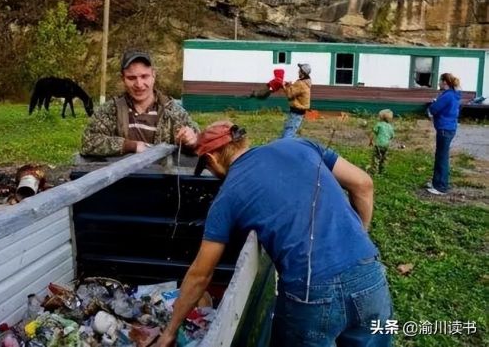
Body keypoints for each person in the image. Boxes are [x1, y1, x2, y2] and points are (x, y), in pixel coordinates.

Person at [155, 121, 393, 347]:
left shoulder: (227, 196)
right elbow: (363, 183)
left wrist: (169, 332)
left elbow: (200, 274)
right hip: (369, 275)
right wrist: (360, 237)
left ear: (210, 158)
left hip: (311, 292)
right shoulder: (299, 144)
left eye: (206, 167)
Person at [80, 50, 199, 157]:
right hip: (123, 180)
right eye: (131, 78)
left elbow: (201, 145)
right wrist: (131, 146)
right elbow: (88, 142)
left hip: (163, 179)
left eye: (144, 76)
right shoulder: (110, 110)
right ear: (123, 79)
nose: (139, 84)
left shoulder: (174, 112)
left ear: (153, 75)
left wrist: (191, 141)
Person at [425, 73, 461, 195]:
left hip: (445, 129)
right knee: (440, 155)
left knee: (442, 157)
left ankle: (441, 186)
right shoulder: (453, 94)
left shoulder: (447, 96)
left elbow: (434, 109)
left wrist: (431, 107)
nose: (439, 83)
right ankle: (436, 182)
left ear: (445, 82)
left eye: (440, 81)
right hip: (449, 128)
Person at [281, 63, 312, 138]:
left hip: (296, 112)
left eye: (300, 70)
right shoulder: (305, 82)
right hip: (299, 112)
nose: (298, 72)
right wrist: (289, 85)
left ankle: (285, 148)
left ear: (303, 73)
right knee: (291, 131)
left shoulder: (301, 83)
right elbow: (295, 91)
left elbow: (290, 94)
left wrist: (283, 86)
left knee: (288, 134)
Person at [369, 109, 395, 174]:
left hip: (378, 145)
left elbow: (373, 134)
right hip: (386, 145)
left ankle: (374, 171)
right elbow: (392, 136)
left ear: (381, 118)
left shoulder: (379, 125)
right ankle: (383, 171)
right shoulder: (390, 127)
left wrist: (371, 141)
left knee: (376, 158)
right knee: (384, 158)